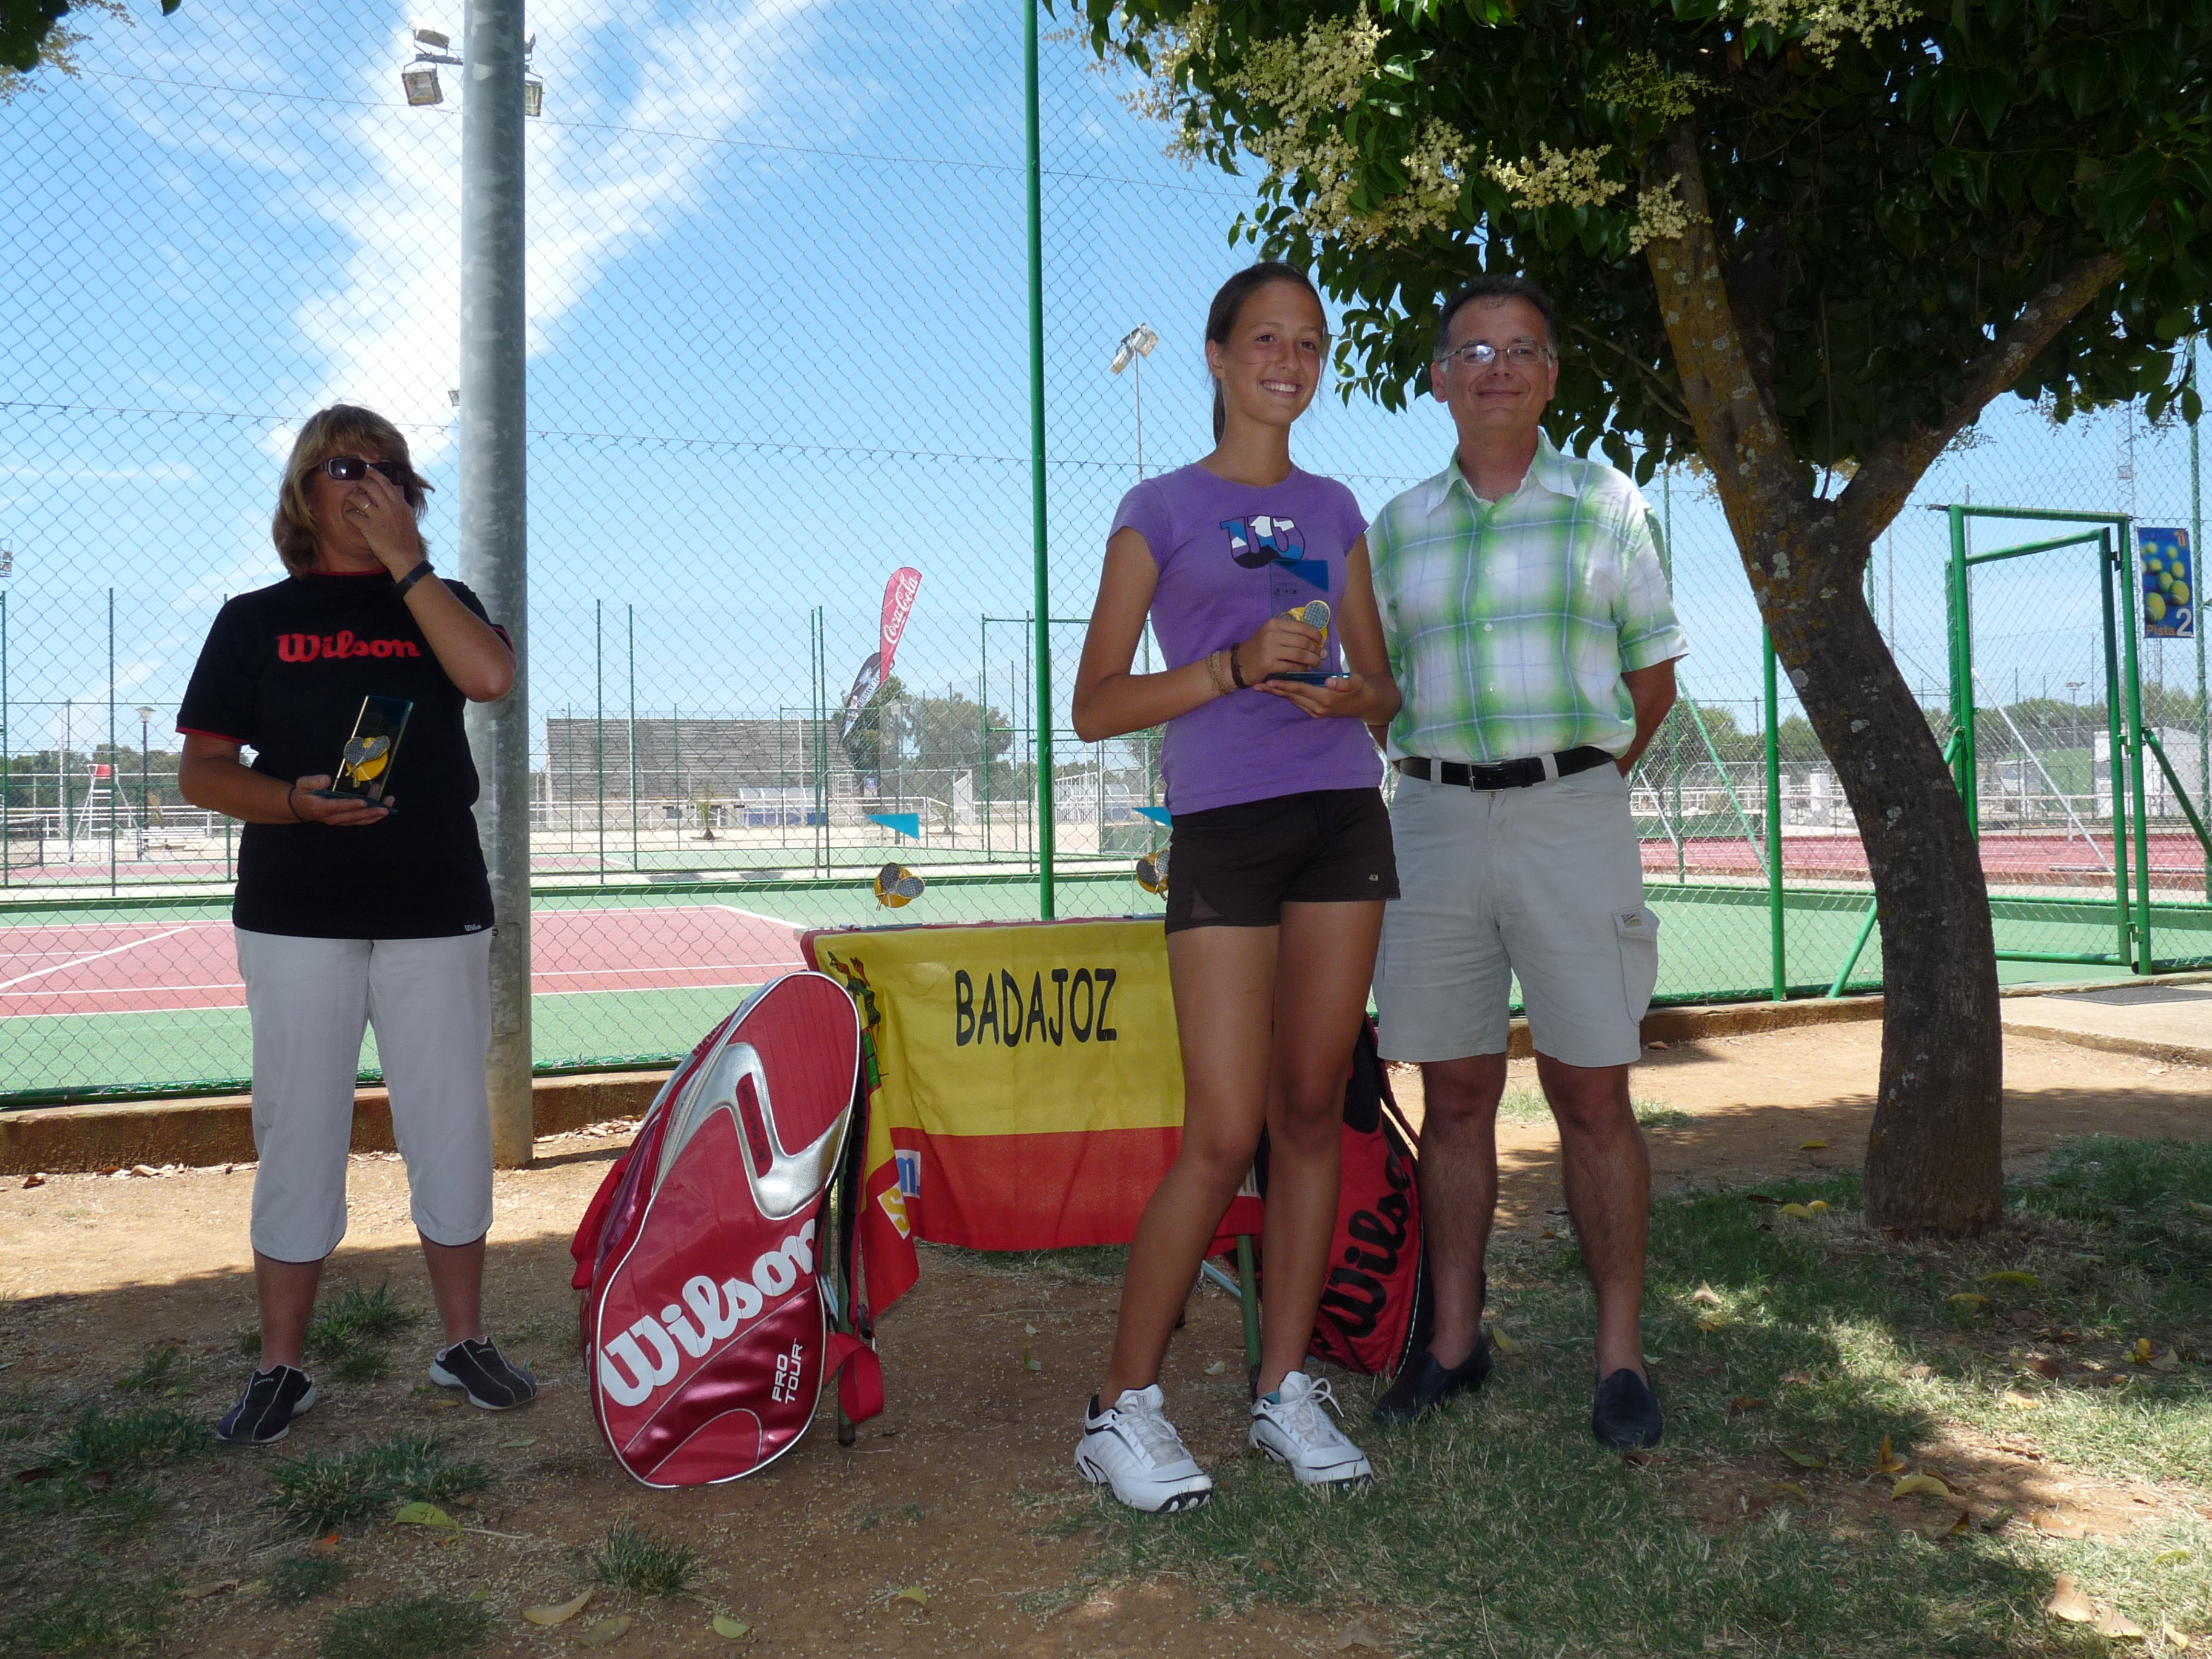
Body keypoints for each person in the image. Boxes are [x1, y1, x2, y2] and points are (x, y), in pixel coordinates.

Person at [1068, 263, 1404, 1512]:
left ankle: (1282, 1391)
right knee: (1222, 1131)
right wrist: (1231, 668)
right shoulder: (1158, 507)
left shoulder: (1334, 507)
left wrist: (1351, 694)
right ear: (1216, 356)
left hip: (1341, 816)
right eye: (1266, 339)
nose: (1289, 362)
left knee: (1310, 1111)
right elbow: (1096, 704)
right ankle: (1120, 1408)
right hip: (1225, 827)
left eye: (1309, 343)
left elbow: (1385, 687)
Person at [1364, 275, 1687, 1449]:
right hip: (1433, 824)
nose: (1495, 368)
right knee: (1453, 1096)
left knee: (1592, 1095)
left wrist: (1572, 781)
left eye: (1519, 349)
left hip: (1571, 816)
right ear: (1439, 378)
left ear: (1550, 374)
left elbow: (1652, 679)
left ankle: (1620, 1359)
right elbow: (1379, 691)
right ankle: (1456, 1342)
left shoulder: (1609, 503)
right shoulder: (1395, 528)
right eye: (1472, 350)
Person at [178, 404, 536, 1445]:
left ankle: (464, 1342)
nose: (367, 480)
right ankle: (280, 1366)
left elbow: (490, 678)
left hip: (434, 905)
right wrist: (294, 802)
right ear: (304, 491)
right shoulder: (253, 620)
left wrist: (409, 565)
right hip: (296, 913)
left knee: (448, 1123)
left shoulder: (442, 600)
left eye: (387, 467)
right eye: (344, 466)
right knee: (298, 1130)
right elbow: (203, 772)